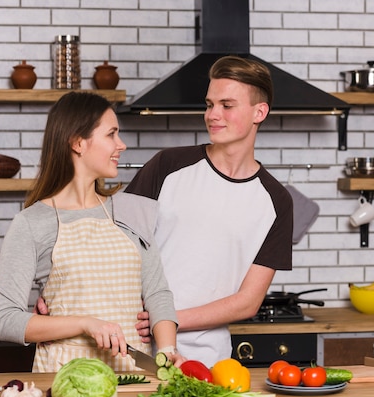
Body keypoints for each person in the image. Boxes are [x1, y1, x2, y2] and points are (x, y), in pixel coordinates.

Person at [0, 91, 183, 373]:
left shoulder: (132, 210)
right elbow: (6, 321)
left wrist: (168, 350)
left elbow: (157, 292)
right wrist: (85, 323)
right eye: (111, 134)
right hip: (65, 375)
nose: (122, 145)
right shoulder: (32, 223)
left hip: (133, 373)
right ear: (78, 142)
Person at [124, 55, 294, 367]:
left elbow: (248, 302)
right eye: (209, 104)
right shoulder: (166, 166)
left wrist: (168, 320)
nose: (213, 115)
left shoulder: (276, 201)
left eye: (227, 105)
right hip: (130, 347)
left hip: (206, 362)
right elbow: (110, 244)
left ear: (260, 112)